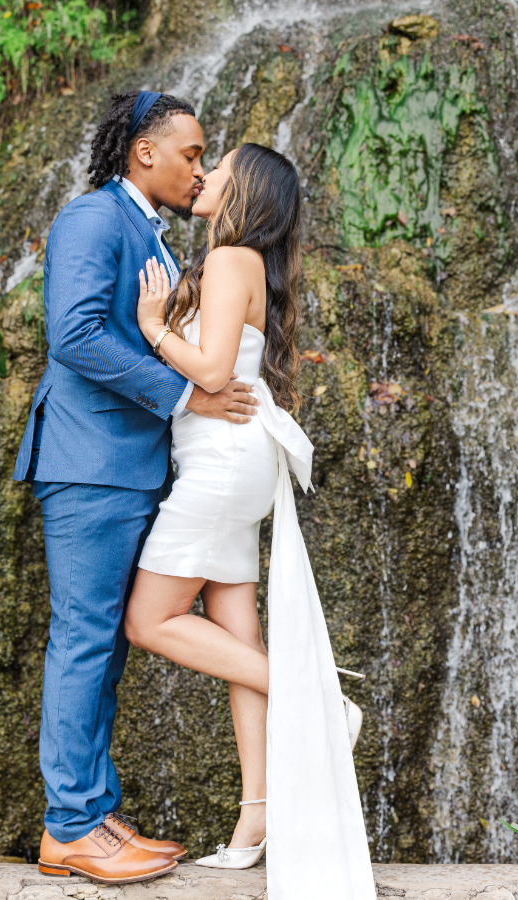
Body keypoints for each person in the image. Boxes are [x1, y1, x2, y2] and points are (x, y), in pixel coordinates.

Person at [12, 90, 261, 886]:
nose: (199, 169)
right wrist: (189, 396)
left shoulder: (143, 227)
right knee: (85, 639)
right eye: (191, 154)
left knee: (106, 645)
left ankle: (93, 810)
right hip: (89, 464)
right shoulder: (93, 219)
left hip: (127, 467)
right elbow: (76, 335)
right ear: (143, 152)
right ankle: (71, 827)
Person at [124, 143, 377, 899]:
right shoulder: (241, 263)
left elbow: (210, 369)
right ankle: (256, 816)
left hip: (223, 465)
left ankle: (323, 701)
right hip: (232, 460)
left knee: (148, 619)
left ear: (247, 188)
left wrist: (150, 324)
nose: (203, 174)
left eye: (219, 165)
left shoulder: (231, 259)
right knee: (237, 640)